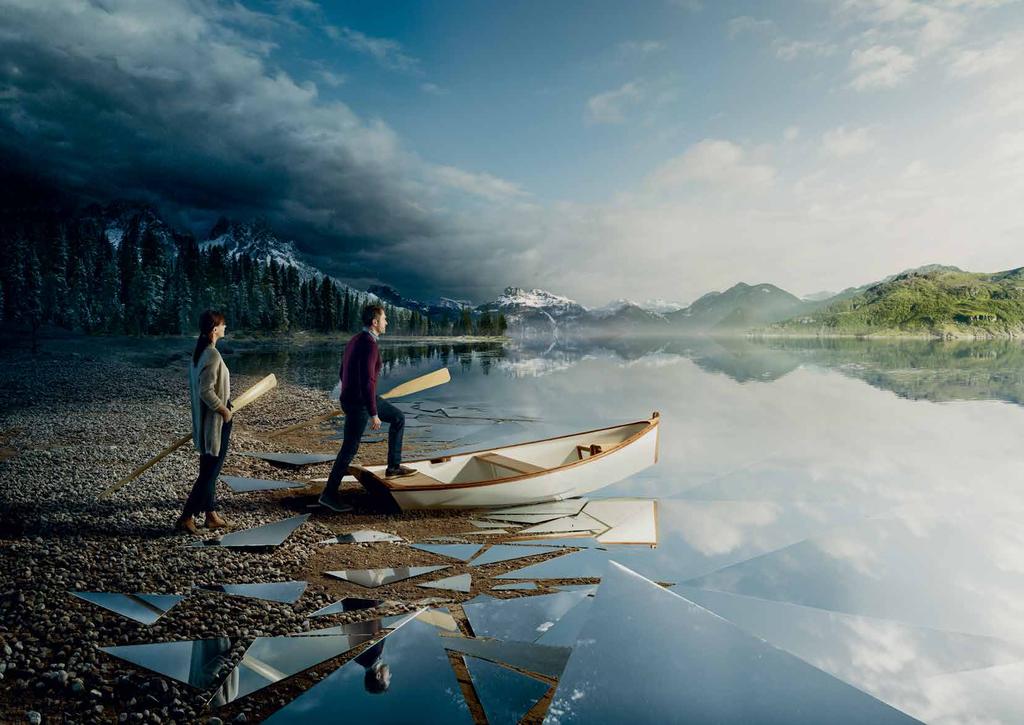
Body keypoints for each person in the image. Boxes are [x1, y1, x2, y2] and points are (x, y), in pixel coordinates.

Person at [320, 304, 415, 512]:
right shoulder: (369, 345)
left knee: (398, 418)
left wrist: (349, 394)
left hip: (357, 398)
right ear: (375, 322)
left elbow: (342, 370)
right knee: (350, 448)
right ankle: (329, 494)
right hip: (360, 402)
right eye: (384, 318)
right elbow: (367, 381)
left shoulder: (356, 339)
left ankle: (393, 467)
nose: (386, 322)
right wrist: (373, 413)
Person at [176, 309, 232, 534]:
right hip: (215, 424)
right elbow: (205, 391)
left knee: (208, 468)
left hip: (208, 423)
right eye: (223, 324)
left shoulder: (200, 353)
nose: (226, 327)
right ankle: (186, 517)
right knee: (209, 473)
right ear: (214, 329)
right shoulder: (212, 355)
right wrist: (224, 410)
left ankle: (210, 515)